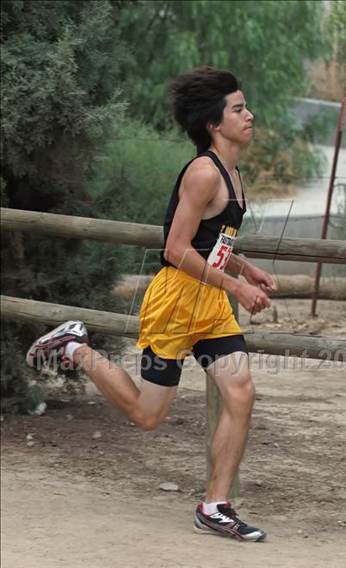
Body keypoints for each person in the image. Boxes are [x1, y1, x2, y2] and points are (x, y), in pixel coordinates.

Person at [26, 66, 276, 542]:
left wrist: (244, 269)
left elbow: (211, 239)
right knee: (147, 415)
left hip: (210, 305)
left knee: (240, 393)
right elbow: (175, 250)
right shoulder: (204, 172)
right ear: (212, 123)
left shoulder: (233, 172)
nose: (250, 115)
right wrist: (237, 287)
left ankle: (215, 505)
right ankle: (76, 346)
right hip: (176, 303)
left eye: (246, 107)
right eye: (239, 109)